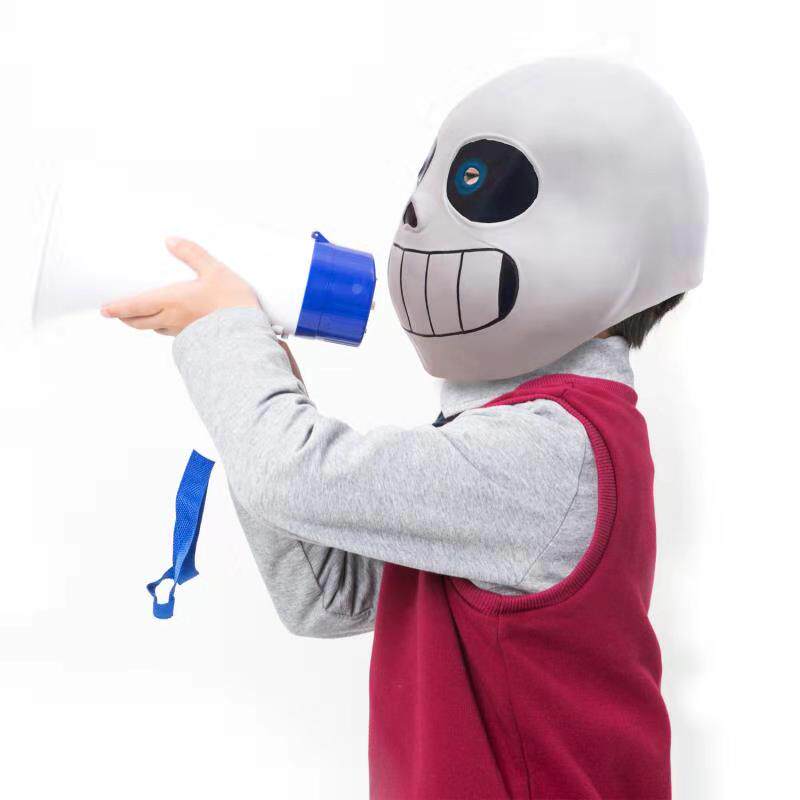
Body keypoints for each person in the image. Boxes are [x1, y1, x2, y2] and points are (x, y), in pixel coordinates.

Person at [102, 59, 707, 799]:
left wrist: (228, 334)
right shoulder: (521, 438)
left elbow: (292, 477)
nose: (419, 216)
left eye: (477, 185)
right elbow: (327, 597)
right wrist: (254, 368)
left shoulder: (551, 452)